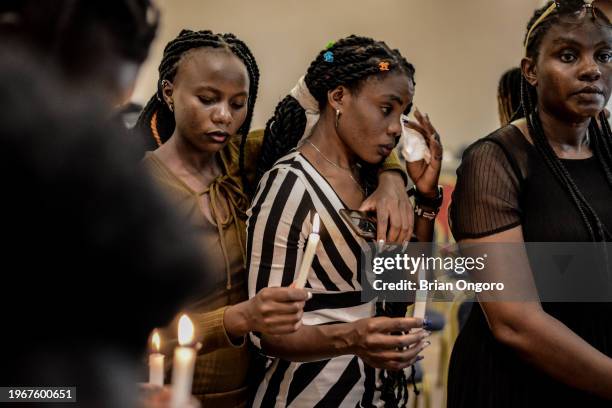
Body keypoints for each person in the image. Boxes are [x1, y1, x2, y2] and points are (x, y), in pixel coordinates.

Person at [134, 29, 423, 406]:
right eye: (207, 99)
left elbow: (342, 112)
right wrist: (237, 318)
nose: (224, 116)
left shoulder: (244, 158)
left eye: (239, 103)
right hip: (165, 393)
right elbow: (114, 329)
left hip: (249, 391)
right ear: (169, 92)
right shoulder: (134, 190)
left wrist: (392, 177)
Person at [248, 35, 443, 407]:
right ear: (338, 97)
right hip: (307, 395)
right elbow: (265, 333)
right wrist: (352, 337)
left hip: (376, 394)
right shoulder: (289, 186)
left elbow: (404, 288)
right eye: (386, 109)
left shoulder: (373, 182)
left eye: (402, 114)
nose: (396, 129)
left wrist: (427, 198)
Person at [448, 1, 612, 406]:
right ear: (531, 71)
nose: (592, 69)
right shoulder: (495, 160)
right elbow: (514, 322)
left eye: (604, 55)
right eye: (569, 55)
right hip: (518, 384)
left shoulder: (608, 152)